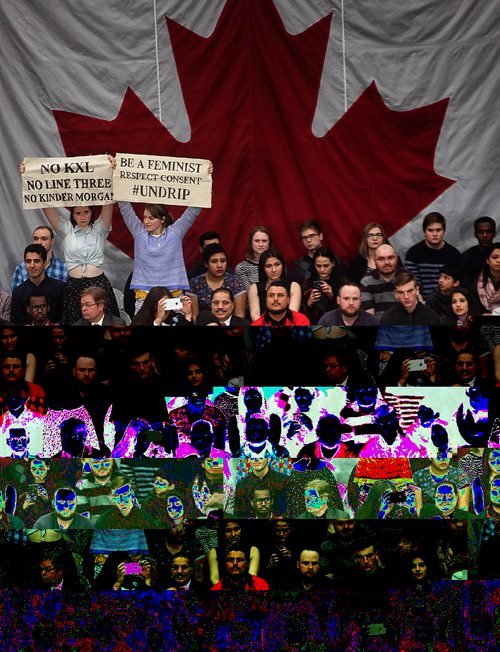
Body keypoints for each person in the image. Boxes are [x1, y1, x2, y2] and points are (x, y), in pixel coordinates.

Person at [20, 159, 120, 324]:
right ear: (72, 214)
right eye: (78, 213)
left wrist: (111, 172)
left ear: (91, 213)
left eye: (86, 212)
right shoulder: (66, 229)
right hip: (74, 286)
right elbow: (45, 205)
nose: (82, 216)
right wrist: (29, 175)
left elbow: (108, 201)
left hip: (99, 283)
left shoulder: (100, 229)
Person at [114, 161, 211, 314]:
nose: (146, 221)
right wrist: (116, 174)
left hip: (173, 296)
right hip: (144, 297)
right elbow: (125, 207)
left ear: (162, 219)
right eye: (144, 217)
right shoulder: (139, 233)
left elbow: (193, 211)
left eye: (151, 218)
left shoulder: (175, 233)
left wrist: (206, 177)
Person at [404, 212, 461, 297]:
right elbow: (413, 285)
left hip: (448, 302)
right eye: (430, 230)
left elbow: (457, 284)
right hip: (423, 303)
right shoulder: (413, 254)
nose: (435, 234)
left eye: (438, 230)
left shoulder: (454, 254)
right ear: (424, 232)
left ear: (444, 231)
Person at [11, 244, 66, 324]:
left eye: (36, 261)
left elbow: (66, 318)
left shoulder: (60, 288)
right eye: (28, 261)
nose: (32, 266)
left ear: (44, 263)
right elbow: (16, 322)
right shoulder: (18, 292)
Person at [189, 243, 246, 318]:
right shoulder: (195, 283)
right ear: (206, 264)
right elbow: (194, 316)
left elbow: (240, 315)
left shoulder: (235, 282)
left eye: (223, 261)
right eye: (214, 261)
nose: (219, 265)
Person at [248, 248, 301, 322]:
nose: (274, 270)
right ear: (263, 268)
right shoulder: (255, 287)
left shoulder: (294, 286)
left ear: (283, 265)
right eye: (268, 266)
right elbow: (255, 315)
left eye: (277, 264)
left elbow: (293, 312)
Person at [11, 224, 68, 290]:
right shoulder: (21, 268)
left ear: (52, 242)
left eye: (44, 239)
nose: (39, 242)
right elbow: (16, 297)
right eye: (36, 239)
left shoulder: (64, 268)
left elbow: (67, 297)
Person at [360, 244, 406, 320]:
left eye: (390, 258)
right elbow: (369, 316)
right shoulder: (367, 281)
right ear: (375, 261)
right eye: (381, 259)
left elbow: (414, 309)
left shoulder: (407, 277)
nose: (387, 262)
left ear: (397, 258)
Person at [302, 246, 346, 324]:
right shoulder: (308, 284)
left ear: (333, 263)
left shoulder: (343, 283)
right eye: (318, 266)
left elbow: (348, 309)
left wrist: (333, 296)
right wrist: (309, 304)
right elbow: (300, 315)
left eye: (326, 266)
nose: (322, 270)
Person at [75, 458, 117, 524]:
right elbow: (83, 514)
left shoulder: (122, 481)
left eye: (106, 461)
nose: (102, 467)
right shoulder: (82, 484)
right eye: (97, 463)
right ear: (90, 464)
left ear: (112, 461)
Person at [461, 216, 497, 289]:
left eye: (488, 232)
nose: (485, 235)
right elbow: (465, 286)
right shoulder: (467, 257)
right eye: (481, 232)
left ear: (494, 234)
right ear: (475, 234)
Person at [234, 225, 272, 291]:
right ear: (251, 243)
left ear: (269, 243)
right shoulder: (242, 268)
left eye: (264, 241)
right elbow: (249, 292)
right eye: (257, 241)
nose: (261, 244)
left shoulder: (278, 264)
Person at [290, 219, 325, 284]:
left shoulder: (334, 261)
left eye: (312, 236)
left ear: (320, 236)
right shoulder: (298, 266)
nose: (308, 240)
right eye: (304, 237)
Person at [475, 242, 500, 314]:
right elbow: (474, 309)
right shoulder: (478, 284)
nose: (499, 260)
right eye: (495, 257)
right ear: (487, 260)